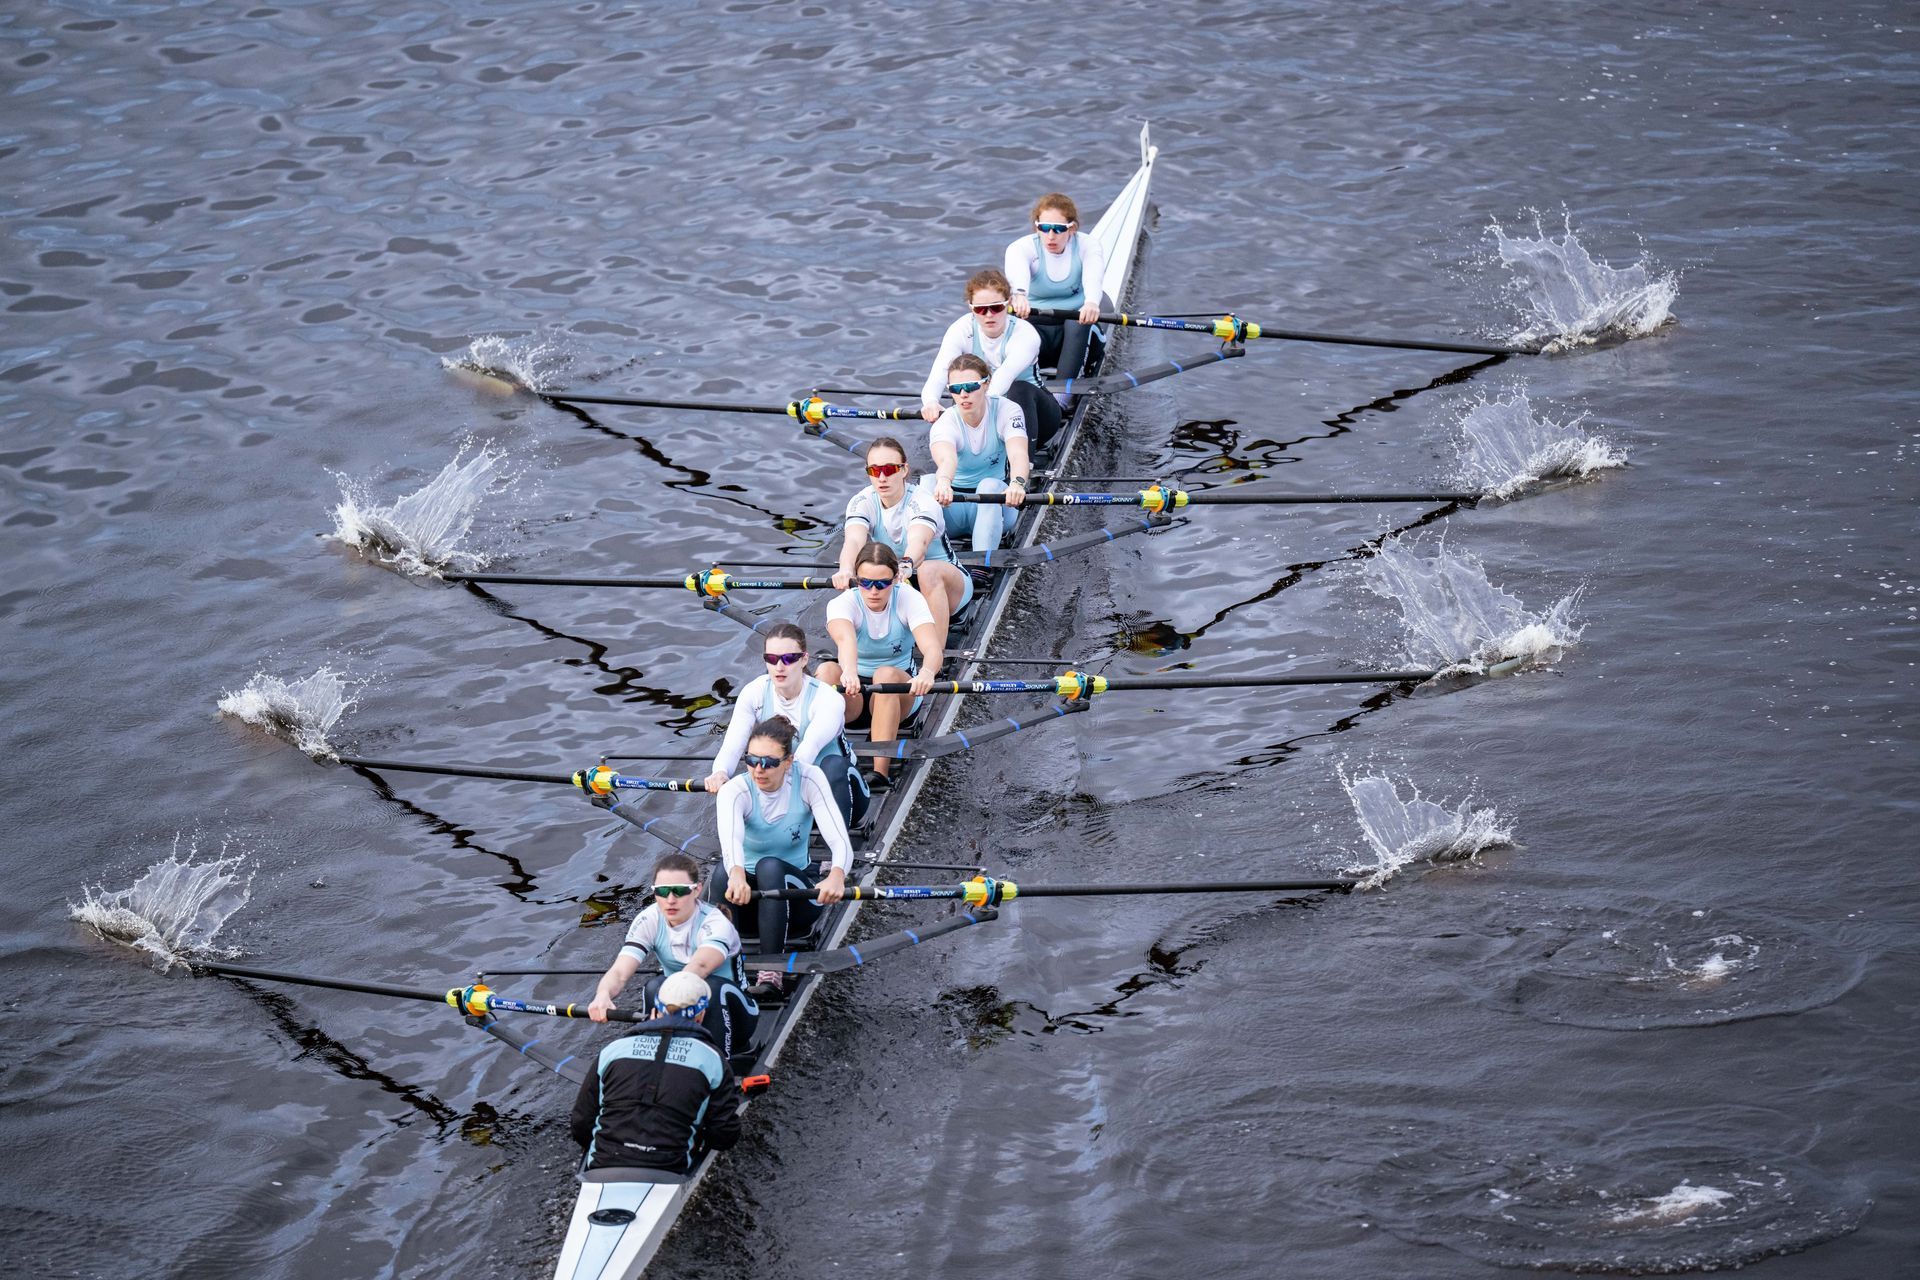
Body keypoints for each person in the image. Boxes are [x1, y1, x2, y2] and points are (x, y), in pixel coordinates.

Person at [713, 715, 853, 1000]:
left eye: (769, 762)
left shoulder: (809, 779)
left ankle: (771, 972)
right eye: (752, 760)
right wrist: (736, 874)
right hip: (748, 902)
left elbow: (840, 840)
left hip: (799, 901)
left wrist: (837, 875)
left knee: (769, 867)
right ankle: (720, 967)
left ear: (788, 762)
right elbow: (731, 842)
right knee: (721, 873)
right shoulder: (734, 791)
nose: (758, 770)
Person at [588, 852, 758, 1062]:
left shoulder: (715, 923)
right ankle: (655, 1061)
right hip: (683, 1010)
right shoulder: (648, 919)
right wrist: (603, 994)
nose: (670, 900)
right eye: (662, 891)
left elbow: (700, 966)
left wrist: (668, 1007)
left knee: (711, 988)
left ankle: (719, 1066)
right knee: (653, 987)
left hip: (736, 1015)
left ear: (697, 890)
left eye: (679, 891)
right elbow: (620, 972)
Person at [570, 969, 741, 1176]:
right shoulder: (712, 1059)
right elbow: (724, 1136)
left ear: (657, 1010)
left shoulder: (613, 1050)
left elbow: (581, 1123)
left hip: (604, 1163)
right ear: (701, 1015)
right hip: (670, 1169)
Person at [703, 621, 867, 828]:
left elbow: (808, 751)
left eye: (789, 659)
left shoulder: (827, 698)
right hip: (787, 790)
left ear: (804, 659)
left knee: (832, 766)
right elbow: (732, 746)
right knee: (751, 770)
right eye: (772, 659)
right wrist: (720, 773)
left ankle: (834, 845)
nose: (779, 667)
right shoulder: (754, 693)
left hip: (839, 791)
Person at [816, 543, 941, 791]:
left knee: (884, 675)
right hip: (855, 694)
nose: (873, 591)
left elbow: (933, 648)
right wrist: (849, 671)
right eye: (865, 583)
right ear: (856, 579)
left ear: (895, 579)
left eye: (882, 584)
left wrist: (927, 672)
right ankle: (819, 764)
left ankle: (880, 773)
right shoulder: (842, 604)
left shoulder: (909, 598)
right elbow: (846, 641)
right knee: (826, 672)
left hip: (899, 694)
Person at [836, 436, 973, 658]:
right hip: (899, 585)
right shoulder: (862, 501)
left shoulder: (922, 501)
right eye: (874, 470)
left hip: (949, 589)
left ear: (904, 470)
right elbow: (853, 541)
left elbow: (919, 541)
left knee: (926, 570)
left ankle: (935, 658)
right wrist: (845, 569)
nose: (882, 477)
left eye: (889, 469)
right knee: (865, 575)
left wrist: (907, 563)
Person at [919, 267, 1063, 450]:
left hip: (1035, 417)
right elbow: (940, 371)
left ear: (1008, 303)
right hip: (984, 415)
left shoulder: (1025, 334)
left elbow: (1003, 378)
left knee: (1018, 389)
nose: (988, 315)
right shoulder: (961, 329)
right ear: (971, 307)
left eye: (996, 307)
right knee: (962, 385)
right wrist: (931, 402)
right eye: (980, 309)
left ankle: (1025, 461)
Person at [1005, 193, 1107, 404]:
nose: (1050, 236)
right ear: (1036, 227)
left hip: (1077, 328)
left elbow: (1093, 278)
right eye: (1044, 228)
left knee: (1077, 323)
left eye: (1059, 229)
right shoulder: (1021, 248)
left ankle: (1062, 398)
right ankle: (1018, 391)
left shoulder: (1088, 245)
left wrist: (1091, 303)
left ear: (1072, 228)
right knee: (1012, 324)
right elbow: (1017, 277)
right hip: (1038, 332)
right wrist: (1019, 296)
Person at [927, 353, 1030, 552]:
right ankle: (926, 560)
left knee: (988, 485)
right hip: (953, 509)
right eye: (955, 389)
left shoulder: (1007, 410)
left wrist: (1017, 483)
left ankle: (982, 562)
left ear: (986, 384)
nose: (963, 394)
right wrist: (944, 482)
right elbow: (947, 460)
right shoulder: (945, 422)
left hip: (997, 505)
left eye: (971, 386)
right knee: (927, 483)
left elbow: (1018, 454)